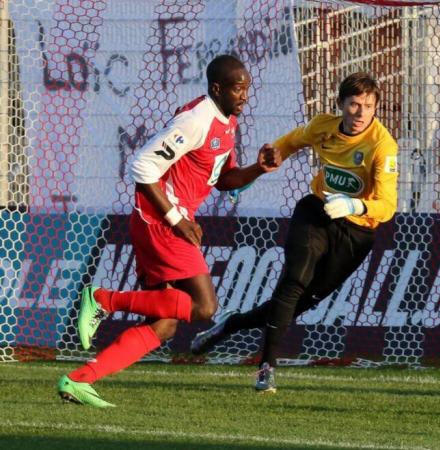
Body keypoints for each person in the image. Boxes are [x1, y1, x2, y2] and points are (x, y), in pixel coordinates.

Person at [57, 55, 281, 407]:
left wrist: (258, 169)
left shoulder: (226, 122)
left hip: (164, 220)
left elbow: (223, 180)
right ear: (217, 88)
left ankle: (78, 380)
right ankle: (103, 299)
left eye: (247, 89)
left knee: (164, 325)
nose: (244, 96)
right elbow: (142, 166)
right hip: (159, 221)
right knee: (204, 306)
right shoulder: (196, 120)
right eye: (238, 88)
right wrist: (178, 219)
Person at [190, 72, 399, 393]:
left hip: (356, 234)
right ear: (341, 104)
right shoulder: (323, 126)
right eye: (354, 104)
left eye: (368, 106)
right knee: (294, 280)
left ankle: (230, 325)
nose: (360, 113)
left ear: (376, 108)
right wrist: (269, 160)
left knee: (294, 303)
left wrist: (355, 207)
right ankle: (266, 368)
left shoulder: (383, 146)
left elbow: (387, 206)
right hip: (316, 212)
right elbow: (289, 142)